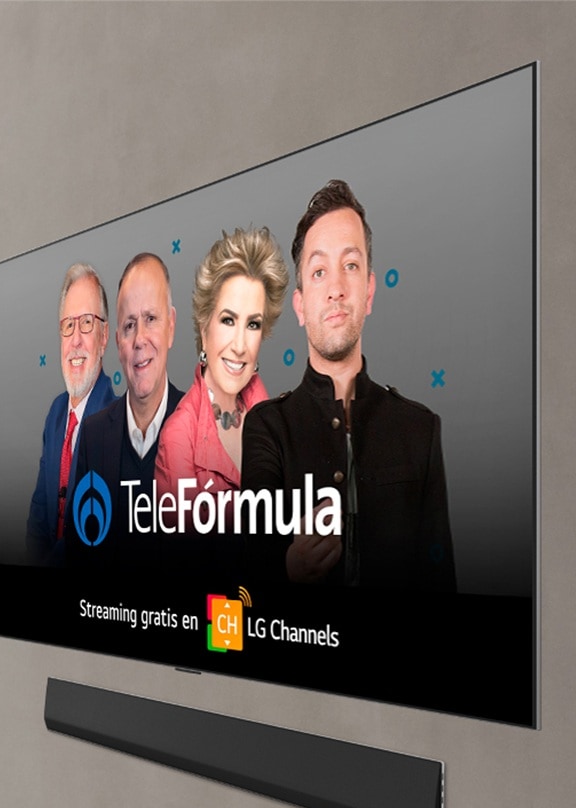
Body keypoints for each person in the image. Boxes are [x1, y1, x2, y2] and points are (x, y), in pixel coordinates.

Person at [245, 180, 456, 589]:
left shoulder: (421, 429)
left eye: (351, 266)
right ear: (300, 307)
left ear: (370, 292)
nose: (337, 289)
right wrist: (288, 569)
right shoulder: (267, 427)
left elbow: (442, 591)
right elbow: (245, 585)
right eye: (320, 271)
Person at [65, 253, 185, 568]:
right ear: (118, 343)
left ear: (171, 326)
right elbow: (79, 558)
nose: (140, 339)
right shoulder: (92, 435)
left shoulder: (205, 427)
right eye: (130, 325)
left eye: (151, 319)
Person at [154, 227, 288, 496]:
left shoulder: (277, 420)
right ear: (205, 328)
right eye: (228, 320)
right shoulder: (180, 437)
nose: (239, 346)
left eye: (253, 324)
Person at [24, 263, 118, 565]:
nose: (76, 340)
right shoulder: (55, 414)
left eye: (87, 323)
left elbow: (91, 535)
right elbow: (39, 511)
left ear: (104, 338)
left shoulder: (117, 420)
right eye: (68, 325)